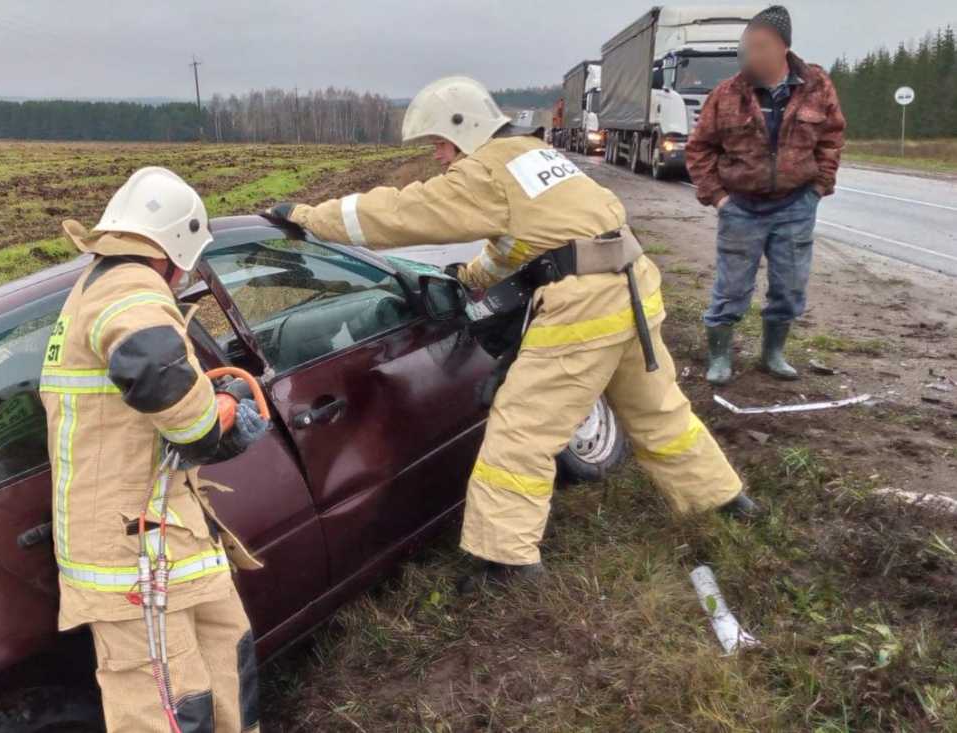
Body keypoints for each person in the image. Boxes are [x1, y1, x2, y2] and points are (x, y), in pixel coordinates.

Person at [266, 76, 758, 589]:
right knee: (659, 411)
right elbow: (520, 240)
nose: (438, 157)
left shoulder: (486, 169)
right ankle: (725, 501)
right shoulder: (530, 157)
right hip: (631, 289)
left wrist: (307, 216)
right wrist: (472, 279)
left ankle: (506, 563)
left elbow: (399, 213)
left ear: (463, 128)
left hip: (583, 306)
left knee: (521, 430)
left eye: (439, 143)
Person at [42, 167, 268, 732]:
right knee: (167, 707)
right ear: (174, 245)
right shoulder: (129, 286)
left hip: (165, 530)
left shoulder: (100, 286)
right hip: (126, 558)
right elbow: (153, 367)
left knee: (225, 655)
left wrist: (203, 401)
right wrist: (208, 427)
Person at [685, 5, 846, 386]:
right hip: (741, 207)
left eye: (758, 46)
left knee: (789, 286)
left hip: (795, 206)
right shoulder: (726, 94)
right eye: (746, 46)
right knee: (731, 288)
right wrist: (718, 197)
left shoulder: (817, 87)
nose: (749, 54)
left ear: (782, 48)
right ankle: (721, 356)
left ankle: (773, 353)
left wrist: (819, 186)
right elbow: (699, 148)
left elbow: (832, 137)